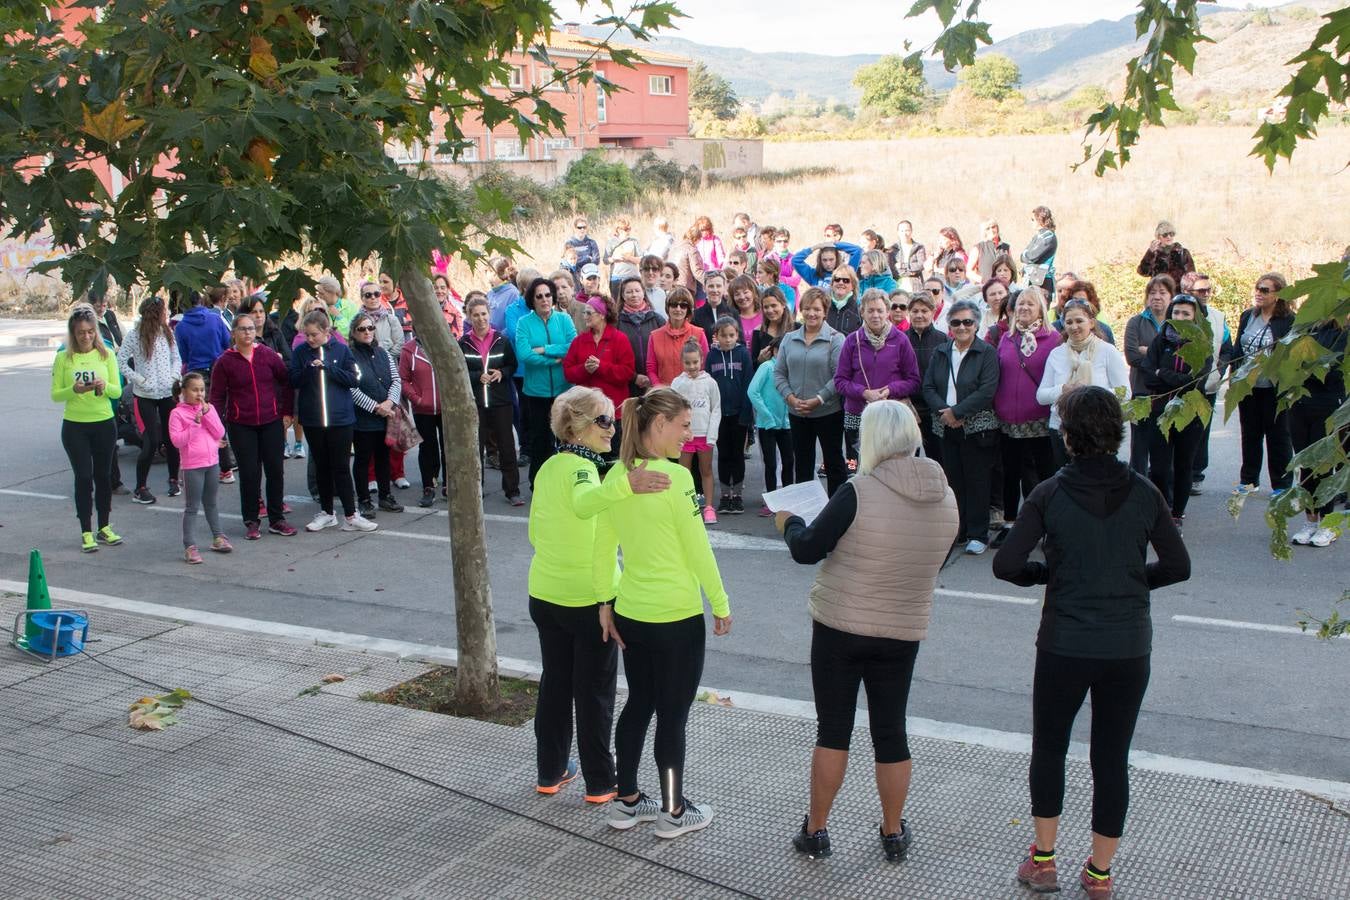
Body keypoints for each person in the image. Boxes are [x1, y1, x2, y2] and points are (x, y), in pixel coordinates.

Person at [993, 386, 1190, 900]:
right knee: (1111, 756)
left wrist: (1049, 573)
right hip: (1128, 645)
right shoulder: (1146, 491)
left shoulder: (1049, 493)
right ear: (1118, 432)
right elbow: (1178, 566)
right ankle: (1100, 874)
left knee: (1050, 746)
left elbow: (1006, 564)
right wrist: (1130, 579)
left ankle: (1043, 860)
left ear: (1067, 435)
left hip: (1065, 642)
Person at [778, 400, 958, 861]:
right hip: (902, 629)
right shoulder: (947, 495)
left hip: (841, 625)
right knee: (891, 730)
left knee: (834, 730)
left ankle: (816, 830)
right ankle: (893, 832)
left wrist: (790, 523)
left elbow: (807, 550)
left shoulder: (859, 489)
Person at [593, 388, 732, 840]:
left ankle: (627, 801)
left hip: (632, 613)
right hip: (676, 618)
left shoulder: (618, 476)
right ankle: (674, 810)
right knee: (672, 717)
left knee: (639, 705)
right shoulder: (678, 479)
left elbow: (603, 548)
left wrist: (605, 603)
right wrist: (721, 601)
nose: (688, 434)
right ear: (659, 426)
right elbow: (698, 550)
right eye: (684, 425)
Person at [527, 386, 673, 803]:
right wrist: (626, 485)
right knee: (593, 691)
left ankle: (550, 771)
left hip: (545, 595)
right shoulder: (582, 470)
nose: (612, 429)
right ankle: (600, 782)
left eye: (612, 419)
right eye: (604, 420)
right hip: (587, 601)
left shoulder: (548, 467)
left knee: (555, 684)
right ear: (576, 427)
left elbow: (535, 533)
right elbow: (584, 502)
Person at [921, 298, 1002, 554]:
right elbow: (928, 387)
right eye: (956, 322)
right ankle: (958, 529)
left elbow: (987, 390)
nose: (962, 327)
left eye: (967, 321)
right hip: (945, 426)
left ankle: (978, 533)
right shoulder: (941, 352)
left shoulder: (987, 352)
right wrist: (945, 413)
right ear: (949, 326)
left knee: (977, 480)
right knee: (953, 480)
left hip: (977, 428)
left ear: (976, 324)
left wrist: (958, 411)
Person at [210, 314, 297, 539]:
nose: (248, 333)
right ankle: (251, 520)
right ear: (234, 333)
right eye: (243, 329)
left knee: (275, 470)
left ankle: (277, 519)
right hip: (241, 424)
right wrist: (217, 427)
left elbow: (286, 381)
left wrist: (286, 411)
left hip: (271, 422)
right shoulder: (225, 362)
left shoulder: (267, 355)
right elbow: (217, 397)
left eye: (251, 329)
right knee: (250, 473)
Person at [289, 310, 376, 533]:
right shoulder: (301, 353)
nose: (309, 339)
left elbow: (353, 379)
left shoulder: (341, 350)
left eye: (314, 335)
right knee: (322, 467)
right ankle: (327, 512)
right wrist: (310, 370)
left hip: (340, 419)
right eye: (307, 335)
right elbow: (293, 379)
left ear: (326, 332)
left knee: (341, 467)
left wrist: (328, 369)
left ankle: (351, 514)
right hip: (313, 420)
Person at [53, 305, 124, 552]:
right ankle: (86, 530)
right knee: (84, 477)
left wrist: (104, 386)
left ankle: (104, 526)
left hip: (104, 423)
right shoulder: (64, 357)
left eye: (90, 332)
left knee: (103, 477)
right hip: (75, 427)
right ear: (73, 334)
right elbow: (55, 395)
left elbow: (117, 390)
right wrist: (74, 389)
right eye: (81, 332)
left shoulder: (107, 355)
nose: (86, 337)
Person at [1142, 295, 1213, 529]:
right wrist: (1165, 377)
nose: (1180, 317)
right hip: (1160, 411)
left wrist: (1163, 373)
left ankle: (1177, 514)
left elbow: (1193, 383)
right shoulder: (1161, 340)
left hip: (1189, 414)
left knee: (1184, 465)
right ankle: (1163, 508)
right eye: (1176, 313)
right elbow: (1147, 373)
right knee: (1160, 468)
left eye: (1186, 314)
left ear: (1195, 317)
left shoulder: (1203, 345)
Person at [835, 289, 921, 475]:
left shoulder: (900, 340)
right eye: (871, 310)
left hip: (891, 415)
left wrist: (891, 389)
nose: (875, 315)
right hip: (858, 414)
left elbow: (913, 380)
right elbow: (840, 381)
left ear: (887, 312)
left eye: (880, 310)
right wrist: (863, 392)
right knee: (860, 469)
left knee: (891, 468)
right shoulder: (852, 341)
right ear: (862, 312)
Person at [993, 288, 1060, 527]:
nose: (1024, 308)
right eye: (1020, 304)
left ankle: (1044, 524)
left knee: (1042, 475)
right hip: (1008, 420)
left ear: (1041, 308)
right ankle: (1010, 523)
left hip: (1039, 419)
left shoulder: (1054, 339)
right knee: (1010, 474)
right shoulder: (1007, 338)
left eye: (1030, 304)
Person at [1037, 300, 1131, 467]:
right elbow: (1041, 396)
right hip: (1062, 429)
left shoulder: (1107, 351)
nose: (1074, 327)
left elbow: (1125, 393)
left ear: (1092, 322)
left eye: (1079, 321)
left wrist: (1090, 394)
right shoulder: (1056, 354)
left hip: (1099, 430)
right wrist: (1063, 389)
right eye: (1069, 322)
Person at [1226, 272, 1296, 497]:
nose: (1258, 293)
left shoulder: (1289, 320)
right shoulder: (1248, 316)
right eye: (1257, 288)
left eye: (1265, 290)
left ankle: (1282, 485)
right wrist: (1233, 379)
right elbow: (1238, 350)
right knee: (1250, 434)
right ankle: (1248, 480)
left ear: (1278, 295)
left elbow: (1291, 356)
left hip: (1275, 388)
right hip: (1248, 387)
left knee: (1278, 436)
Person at [775, 287, 847, 496]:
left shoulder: (836, 339)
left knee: (834, 462)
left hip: (828, 413)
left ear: (825, 311)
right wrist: (790, 398)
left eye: (816, 309)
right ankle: (807, 511)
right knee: (803, 465)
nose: (811, 313)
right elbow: (779, 373)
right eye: (807, 308)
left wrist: (818, 399)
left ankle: (837, 509)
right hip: (798, 413)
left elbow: (838, 377)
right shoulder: (789, 339)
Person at [116, 296, 183, 504]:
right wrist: (139, 379)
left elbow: (176, 358)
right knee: (151, 440)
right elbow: (121, 361)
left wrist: (174, 377)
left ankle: (173, 479)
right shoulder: (135, 335)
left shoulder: (167, 333)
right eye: (163, 311)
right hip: (144, 395)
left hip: (166, 393)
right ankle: (141, 487)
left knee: (172, 438)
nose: (166, 315)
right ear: (155, 314)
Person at [1288, 316, 1346, 547]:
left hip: (1330, 403)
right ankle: (1310, 521)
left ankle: (1328, 524)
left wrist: (1308, 365)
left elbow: (1334, 368)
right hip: (1301, 403)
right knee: (1306, 464)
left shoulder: (1344, 333)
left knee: (1325, 465)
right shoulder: (1308, 328)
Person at [514, 277, 577, 488]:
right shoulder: (524, 323)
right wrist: (553, 361)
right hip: (536, 393)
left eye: (548, 295)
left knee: (565, 438)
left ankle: (563, 481)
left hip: (563, 390)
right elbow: (524, 354)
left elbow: (573, 346)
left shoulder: (564, 320)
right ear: (532, 299)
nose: (544, 299)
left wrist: (545, 349)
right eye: (539, 296)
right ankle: (538, 483)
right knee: (541, 440)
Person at [168, 372, 233, 563]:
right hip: (192, 466)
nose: (199, 394)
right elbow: (177, 441)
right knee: (192, 507)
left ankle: (218, 537)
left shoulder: (209, 408)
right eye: (195, 390)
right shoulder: (177, 413)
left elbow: (220, 432)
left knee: (211, 502)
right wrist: (195, 424)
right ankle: (189, 546)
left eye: (202, 390)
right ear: (184, 391)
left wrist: (206, 415)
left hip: (211, 462)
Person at [347, 312, 403, 518]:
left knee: (383, 457)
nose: (367, 332)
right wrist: (375, 407)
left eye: (370, 328)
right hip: (363, 420)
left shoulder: (384, 353)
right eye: (362, 329)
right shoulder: (350, 355)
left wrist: (389, 403)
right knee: (362, 460)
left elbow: (396, 380)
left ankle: (385, 496)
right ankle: (364, 500)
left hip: (385, 417)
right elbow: (352, 388)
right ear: (354, 333)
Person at [563, 297, 636, 453]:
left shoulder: (619, 339)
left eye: (589, 313)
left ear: (602, 315)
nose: (585, 316)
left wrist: (601, 367)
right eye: (585, 313)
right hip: (586, 414)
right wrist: (584, 369)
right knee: (587, 457)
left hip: (612, 413)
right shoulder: (579, 341)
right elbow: (568, 372)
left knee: (612, 458)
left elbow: (627, 372)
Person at [1123, 275, 1175, 472]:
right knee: (1139, 448)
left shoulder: (1176, 324)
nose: (1157, 297)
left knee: (1165, 448)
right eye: (1152, 293)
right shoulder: (1136, 322)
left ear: (1171, 296)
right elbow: (1132, 357)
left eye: (1162, 292)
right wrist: (1164, 361)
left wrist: (1148, 351)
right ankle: (1137, 490)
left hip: (1169, 394)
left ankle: (1162, 493)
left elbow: (1181, 361)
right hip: (1141, 392)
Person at [707, 318, 754, 515]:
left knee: (737, 455)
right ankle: (725, 495)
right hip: (719, 416)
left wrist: (746, 414)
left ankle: (738, 496)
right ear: (716, 336)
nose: (727, 340)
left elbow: (748, 384)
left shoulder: (743, 354)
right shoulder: (711, 356)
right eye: (723, 336)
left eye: (731, 335)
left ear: (737, 335)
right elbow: (708, 385)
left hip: (739, 414)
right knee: (723, 455)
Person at [672, 342, 721, 523]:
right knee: (683, 473)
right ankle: (685, 506)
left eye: (695, 362)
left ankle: (708, 507)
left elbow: (716, 409)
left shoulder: (710, 383)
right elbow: (673, 410)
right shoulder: (677, 383)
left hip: (704, 436)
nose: (692, 367)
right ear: (682, 362)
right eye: (688, 363)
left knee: (705, 471)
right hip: (685, 437)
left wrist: (712, 435)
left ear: (701, 361)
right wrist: (676, 433)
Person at [400, 317, 446, 507]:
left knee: (448, 447)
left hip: (446, 408)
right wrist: (417, 399)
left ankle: (450, 484)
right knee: (428, 448)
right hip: (423, 409)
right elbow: (403, 379)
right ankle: (429, 485)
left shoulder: (444, 345)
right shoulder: (408, 350)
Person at [749, 335, 793, 516]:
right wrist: (766, 415)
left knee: (789, 462)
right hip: (767, 424)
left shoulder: (792, 369)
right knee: (770, 463)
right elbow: (752, 391)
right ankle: (771, 500)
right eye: (779, 349)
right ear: (773, 351)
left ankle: (788, 500)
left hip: (788, 424)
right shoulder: (766, 367)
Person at [906, 292, 946, 462]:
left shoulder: (943, 340)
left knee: (937, 459)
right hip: (908, 409)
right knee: (907, 460)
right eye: (915, 311)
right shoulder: (901, 339)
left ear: (932, 312)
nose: (919, 315)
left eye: (924, 310)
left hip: (934, 411)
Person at [645, 288, 707, 388]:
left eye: (683, 306)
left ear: (688, 309)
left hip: (693, 391)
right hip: (665, 395)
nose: (678, 309)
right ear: (668, 307)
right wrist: (659, 388)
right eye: (674, 305)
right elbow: (651, 368)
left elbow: (704, 365)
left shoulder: (699, 333)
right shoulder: (654, 336)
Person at [614, 278, 663, 397]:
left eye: (637, 290)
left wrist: (653, 377)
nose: (634, 295)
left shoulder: (657, 319)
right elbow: (613, 356)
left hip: (655, 382)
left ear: (643, 293)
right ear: (623, 296)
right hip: (627, 384)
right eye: (629, 292)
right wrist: (634, 377)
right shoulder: (616, 323)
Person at [1053, 280, 1116, 346]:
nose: (1078, 304)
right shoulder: (1056, 328)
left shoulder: (1104, 330)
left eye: (1082, 301)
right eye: (1074, 300)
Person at [1136, 220, 1195, 287]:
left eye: (1171, 234)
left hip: (1178, 294)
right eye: (1165, 234)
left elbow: (1191, 276)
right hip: (1160, 293)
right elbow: (1143, 272)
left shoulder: (1183, 253)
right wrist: (1150, 253)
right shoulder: (1154, 254)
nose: (1169, 237)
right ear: (1158, 236)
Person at [238, 295, 291, 362]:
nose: (258, 315)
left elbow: (288, 360)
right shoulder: (241, 338)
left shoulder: (275, 332)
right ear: (244, 315)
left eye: (261, 311)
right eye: (254, 312)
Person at [791, 240, 862, 290]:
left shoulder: (846, 272)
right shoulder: (813, 275)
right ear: (820, 260)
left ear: (836, 259)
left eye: (831, 259)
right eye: (824, 260)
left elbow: (857, 250)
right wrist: (816, 247)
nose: (828, 264)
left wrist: (834, 244)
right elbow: (795, 260)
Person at [751, 287, 792, 371]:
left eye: (774, 305)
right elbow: (753, 366)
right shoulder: (758, 332)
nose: (770, 310)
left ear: (783, 304)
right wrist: (759, 360)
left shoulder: (797, 328)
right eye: (766, 307)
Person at [1021, 206, 1058, 294]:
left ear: (1040, 219)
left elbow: (1032, 256)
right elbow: (1023, 256)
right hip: (1033, 279)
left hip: (1043, 282)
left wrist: (1025, 256)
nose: (1031, 222)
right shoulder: (1038, 236)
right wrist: (1025, 256)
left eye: (1032, 219)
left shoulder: (1048, 236)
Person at [603, 218, 642, 301]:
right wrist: (614, 259)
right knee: (617, 303)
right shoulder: (611, 242)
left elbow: (641, 259)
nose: (628, 231)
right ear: (619, 230)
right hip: (617, 278)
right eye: (626, 229)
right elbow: (605, 260)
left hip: (632, 277)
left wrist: (629, 258)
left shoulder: (634, 241)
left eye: (629, 229)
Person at [888, 220, 927, 293]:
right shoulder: (892, 249)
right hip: (897, 287)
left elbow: (921, 265)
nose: (905, 233)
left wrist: (902, 265)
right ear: (898, 232)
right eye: (902, 231)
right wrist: (911, 272)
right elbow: (892, 270)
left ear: (911, 231)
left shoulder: (919, 247)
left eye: (907, 230)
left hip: (916, 287)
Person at [691, 270, 731, 342]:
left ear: (724, 287)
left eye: (718, 286)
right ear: (704, 288)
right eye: (711, 286)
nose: (715, 290)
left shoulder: (732, 312)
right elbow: (694, 344)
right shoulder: (696, 315)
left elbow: (740, 342)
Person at [825, 264, 863, 335]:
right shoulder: (823, 306)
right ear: (832, 284)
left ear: (853, 286)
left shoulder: (859, 310)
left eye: (846, 280)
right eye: (837, 279)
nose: (841, 282)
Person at [970, 218, 1010, 284]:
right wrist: (983, 280)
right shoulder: (978, 247)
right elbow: (969, 272)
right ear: (983, 231)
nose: (991, 230)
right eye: (987, 228)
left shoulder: (1006, 247)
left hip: (1003, 288)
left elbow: (1011, 268)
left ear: (997, 228)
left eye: (993, 227)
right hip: (984, 288)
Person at [487, 257, 522, 333]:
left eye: (487, 271)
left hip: (504, 342)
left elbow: (517, 322)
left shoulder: (513, 294)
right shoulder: (489, 294)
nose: (485, 274)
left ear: (493, 272)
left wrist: (500, 337)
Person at [670, 226, 706, 297]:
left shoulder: (675, 248)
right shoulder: (692, 250)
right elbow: (697, 272)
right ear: (696, 239)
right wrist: (710, 281)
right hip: (686, 287)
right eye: (699, 240)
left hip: (673, 284)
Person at [728, 274, 763, 339]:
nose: (742, 297)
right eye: (737, 294)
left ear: (754, 292)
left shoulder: (765, 315)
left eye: (745, 292)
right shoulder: (731, 319)